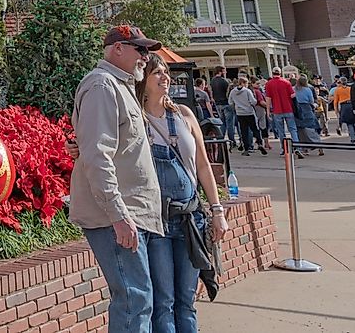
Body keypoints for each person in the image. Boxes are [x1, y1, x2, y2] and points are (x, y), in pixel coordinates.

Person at [72, 24, 164, 333]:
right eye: (140, 50)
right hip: (118, 218)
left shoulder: (120, 86)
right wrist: (119, 215)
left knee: (139, 299)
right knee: (134, 301)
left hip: (132, 215)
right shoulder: (102, 86)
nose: (145, 57)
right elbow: (98, 157)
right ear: (118, 49)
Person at [138, 53, 229, 333]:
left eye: (166, 72)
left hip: (190, 218)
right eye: (156, 73)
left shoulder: (184, 115)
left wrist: (217, 211)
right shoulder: (137, 120)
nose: (164, 77)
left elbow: (202, 165)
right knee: (162, 300)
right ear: (143, 80)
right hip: (157, 221)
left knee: (186, 299)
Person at [264, 68, 301, 150]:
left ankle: (284, 149)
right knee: (292, 129)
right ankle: (297, 147)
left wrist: (268, 110)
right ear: (280, 73)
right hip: (288, 108)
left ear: (272, 73)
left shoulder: (269, 84)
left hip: (277, 110)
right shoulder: (286, 82)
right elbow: (292, 95)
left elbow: (268, 98)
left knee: (281, 131)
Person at [228, 77, 262, 154]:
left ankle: (246, 148)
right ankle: (259, 142)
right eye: (246, 83)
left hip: (240, 113)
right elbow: (253, 101)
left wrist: (236, 106)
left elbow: (230, 102)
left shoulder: (233, 92)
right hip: (249, 112)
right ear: (243, 83)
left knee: (244, 131)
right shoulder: (247, 91)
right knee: (254, 128)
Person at [293, 75, 324, 155]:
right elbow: (311, 100)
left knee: (300, 130)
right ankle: (319, 145)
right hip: (307, 108)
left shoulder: (293, 89)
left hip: (297, 109)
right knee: (311, 127)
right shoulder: (308, 90)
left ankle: (304, 148)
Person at [210, 66, 237, 150]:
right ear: (221, 71)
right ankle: (232, 141)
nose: (225, 73)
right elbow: (228, 93)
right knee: (230, 124)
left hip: (218, 103)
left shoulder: (212, 81)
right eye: (224, 71)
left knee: (222, 123)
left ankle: (220, 139)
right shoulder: (224, 81)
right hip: (226, 103)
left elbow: (211, 92)